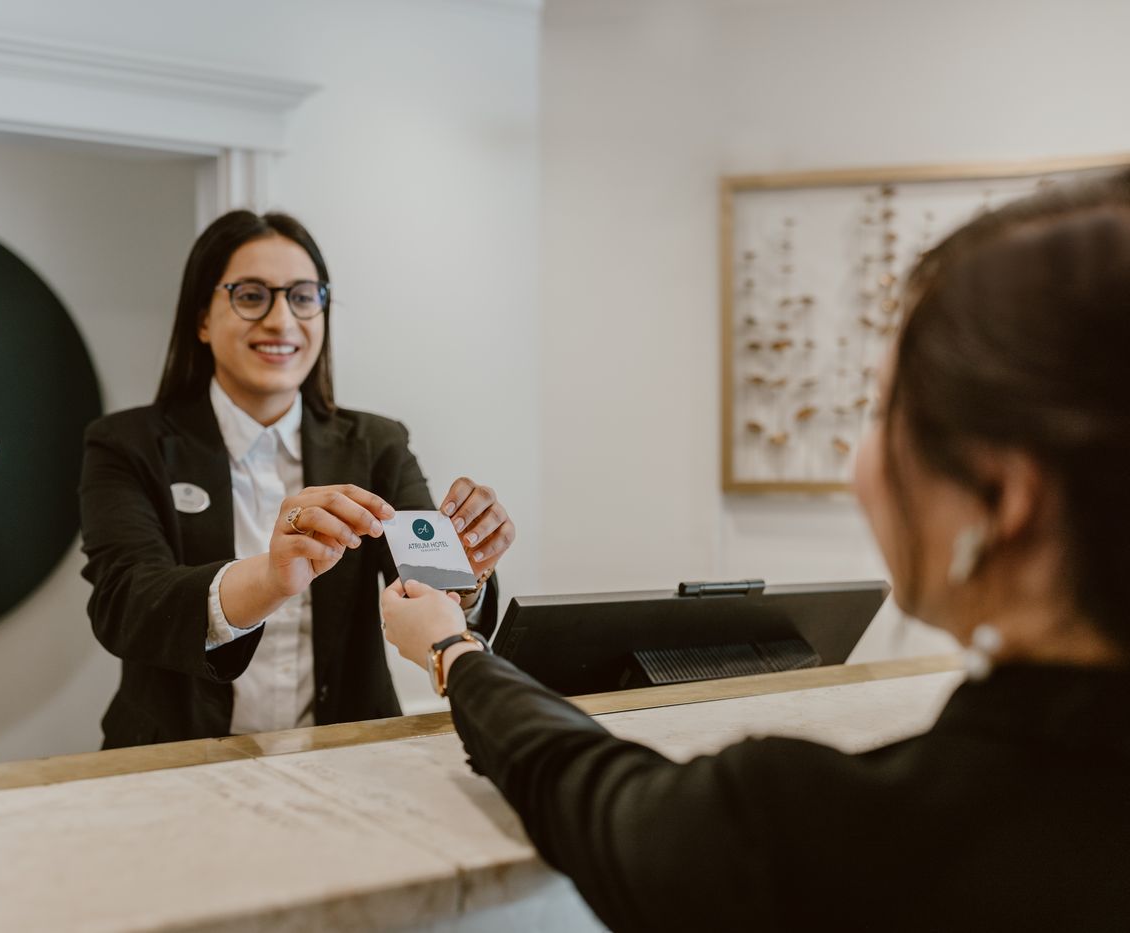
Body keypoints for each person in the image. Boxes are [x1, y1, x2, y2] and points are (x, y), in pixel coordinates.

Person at [382, 170, 1130, 931]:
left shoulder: (839, 834)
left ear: (1002, 500)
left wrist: (452, 650)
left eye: (881, 411)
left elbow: (590, 793)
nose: (856, 459)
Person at [80, 210, 515, 748]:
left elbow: (425, 576)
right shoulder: (128, 443)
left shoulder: (377, 444)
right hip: (174, 758)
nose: (282, 321)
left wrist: (463, 572)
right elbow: (126, 604)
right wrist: (269, 578)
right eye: (251, 295)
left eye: (303, 297)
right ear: (202, 319)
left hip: (349, 757)